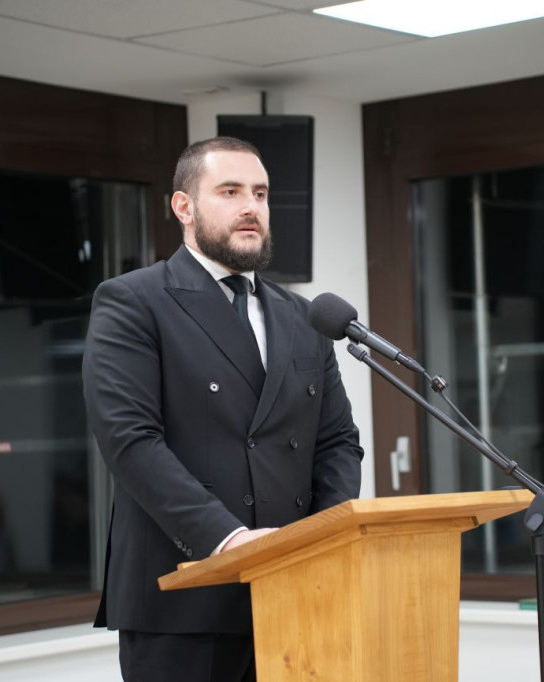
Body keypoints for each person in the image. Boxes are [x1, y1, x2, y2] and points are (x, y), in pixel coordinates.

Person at [82, 136, 364, 682]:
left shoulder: (304, 316)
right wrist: (229, 540)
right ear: (183, 207)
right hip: (182, 600)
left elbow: (337, 442)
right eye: (230, 191)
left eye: (260, 193)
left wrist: (324, 540)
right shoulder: (134, 301)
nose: (250, 207)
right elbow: (130, 441)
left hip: (295, 590)